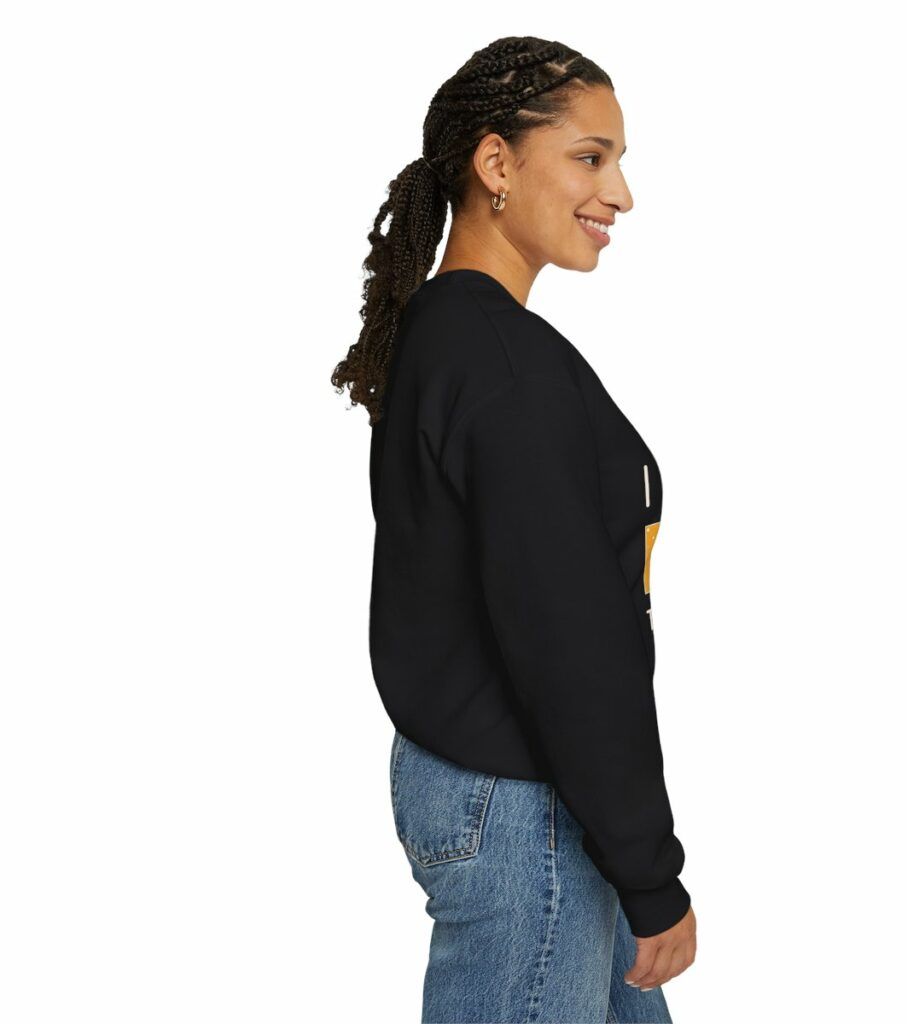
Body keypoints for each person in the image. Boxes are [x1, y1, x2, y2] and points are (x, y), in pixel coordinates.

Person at [332, 35, 698, 1024]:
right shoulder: (501, 364)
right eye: (589, 157)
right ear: (496, 163)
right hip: (524, 804)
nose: (620, 193)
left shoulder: (453, 338)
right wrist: (649, 869)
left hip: (515, 789)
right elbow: (567, 636)